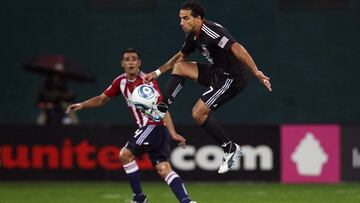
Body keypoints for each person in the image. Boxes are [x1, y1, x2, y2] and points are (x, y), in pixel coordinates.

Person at [144, 0, 272, 174]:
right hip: (216, 72)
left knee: (198, 113)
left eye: (186, 18)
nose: (182, 22)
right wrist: (158, 72)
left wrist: (256, 71)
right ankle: (161, 107)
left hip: (232, 78)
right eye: (181, 18)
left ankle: (230, 148)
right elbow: (180, 57)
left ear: (198, 19)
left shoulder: (211, 31)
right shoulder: (192, 35)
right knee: (180, 67)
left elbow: (237, 47)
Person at [66, 48, 196, 203]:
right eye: (127, 59)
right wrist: (82, 105)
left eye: (134, 59)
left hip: (152, 125)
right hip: (155, 129)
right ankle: (186, 201)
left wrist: (173, 133)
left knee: (125, 155)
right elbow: (102, 99)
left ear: (139, 63)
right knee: (163, 168)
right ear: (122, 63)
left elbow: (162, 107)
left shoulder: (147, 80)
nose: (131, 62)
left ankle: (139, 198)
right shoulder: (120, 82)